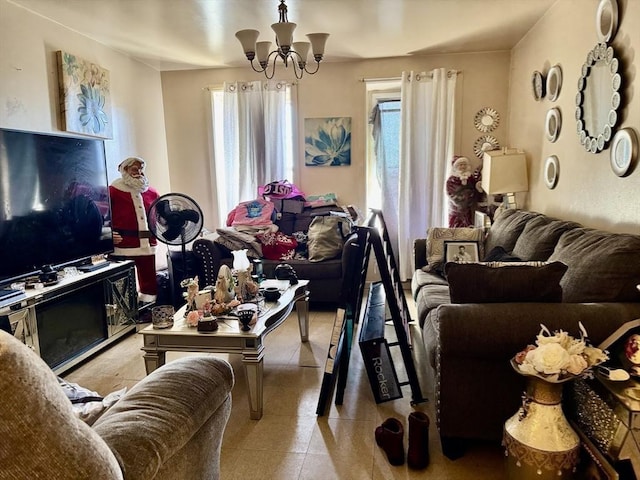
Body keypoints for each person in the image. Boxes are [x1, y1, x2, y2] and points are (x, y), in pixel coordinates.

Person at [109, 156, 159, 303]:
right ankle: (124, 311)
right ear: (124, 170)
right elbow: (100, 217)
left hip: (147, 245)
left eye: (141, 169)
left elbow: (163, 216)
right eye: (134, 169)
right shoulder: (113, 191)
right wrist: (107, 236)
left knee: (149, 282)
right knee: (121, 281)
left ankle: (148, 308)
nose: (139, 173)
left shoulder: (152, 193)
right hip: (123, 245)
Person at [446, 156, 484, 228]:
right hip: (456, 209)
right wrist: (466, 196)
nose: (463, 166)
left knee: (467, 225)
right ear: (456, 166)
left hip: (468, 208)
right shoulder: (451, 180)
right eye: (460, 165)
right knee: (455, 227)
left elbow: (474, 189)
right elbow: (451, 194)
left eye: (464, 164)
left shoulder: (470, 177)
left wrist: (478, 187)